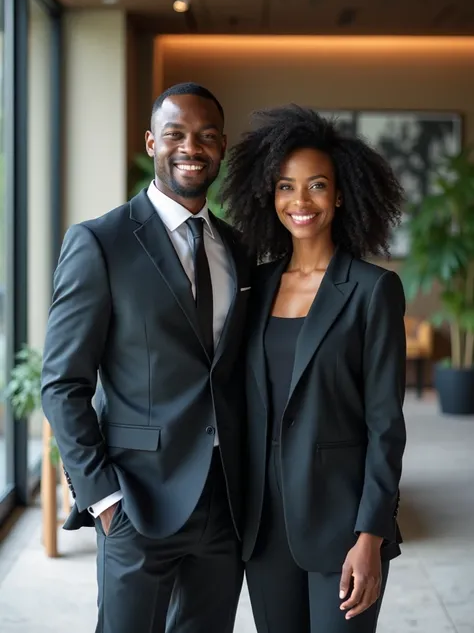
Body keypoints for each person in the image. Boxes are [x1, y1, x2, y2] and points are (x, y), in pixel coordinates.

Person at [41, 83, 253, 633]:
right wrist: (103, 498)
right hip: (135, 501)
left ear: (222, 146)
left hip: (225, 501)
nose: (192, 147)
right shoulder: (100, 242)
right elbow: (63, 383)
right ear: (151, 140)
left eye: (206, 136)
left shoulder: (238, 250)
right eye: (177, 134)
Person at [220, 104, 407, 633]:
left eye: (316, 185)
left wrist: (371, 534)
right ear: (268, 194)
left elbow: (385, 426)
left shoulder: (373, 290)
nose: (300, 201)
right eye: (285, 186)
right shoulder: (253, 289)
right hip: (263, 525)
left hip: (342, 525)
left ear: (341, 193)